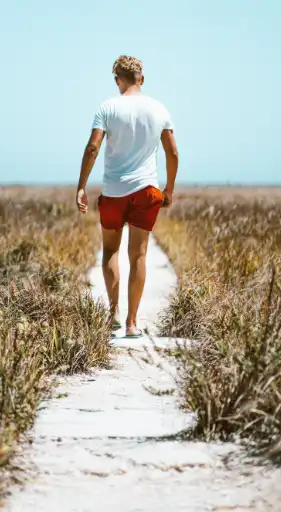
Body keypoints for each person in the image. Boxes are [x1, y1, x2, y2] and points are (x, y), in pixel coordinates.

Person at [76, 55, 179, 338]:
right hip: (147, 191)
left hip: (113, 191)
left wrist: (82, 186)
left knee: (111, 251)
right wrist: (169, 188)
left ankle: (113, 314)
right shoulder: (159, 109)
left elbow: (92, 149)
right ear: (142, 79)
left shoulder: (107, 107)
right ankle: (133, 323)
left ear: (117, 80)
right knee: (139, 255)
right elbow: (172, 152)